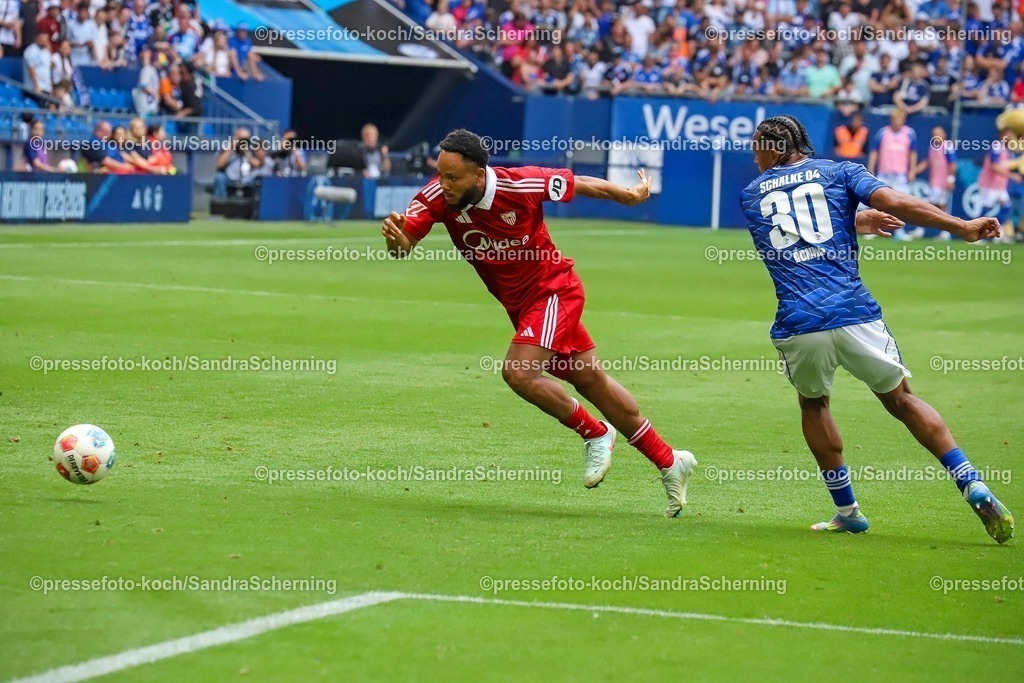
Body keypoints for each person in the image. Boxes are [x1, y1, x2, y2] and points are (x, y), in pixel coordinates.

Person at [381, 129, 697, 517]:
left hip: (554, 291)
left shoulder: (520, 184)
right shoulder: (438, 197)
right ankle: (670, 460)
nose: (443, 184)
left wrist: (627, 195)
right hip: (523, 308)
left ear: (478, 175)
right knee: (591, 381)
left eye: (453, 177)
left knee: (518, 372)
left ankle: (595, 432)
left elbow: (580, 184)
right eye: (440, 174)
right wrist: (395, 239)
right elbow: (403, 246)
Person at [739, 114, 1013, 543]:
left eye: (757, 146)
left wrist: (855, 222)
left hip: (800, 320)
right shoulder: (839, 171)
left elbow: (798, 226)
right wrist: (960, 226)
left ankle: (848, 511)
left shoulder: (751, 194)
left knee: (814, 405)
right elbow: (893, 201)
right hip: (855, 313)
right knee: (902, 400)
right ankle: (970, 481)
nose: (753, 154)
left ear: (774, 150)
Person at [868, 108, 917, 240]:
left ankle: (899, 231)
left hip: (900, 174)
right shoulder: (883, 132)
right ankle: (873, 228)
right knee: (877, 202)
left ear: (903, 120)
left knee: (901, 204)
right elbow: (874, 151)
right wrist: (871, 168)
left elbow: (912, 153)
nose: (897, 122)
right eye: (895, 119)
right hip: (884, 172)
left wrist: (912, 170)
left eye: (899, 119)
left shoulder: (909, 133)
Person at [914, 125, 957, 239]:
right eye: (934, 134)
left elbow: (953, 164)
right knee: (937, 206)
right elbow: (927, 162)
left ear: (944, 135)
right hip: (934, 182)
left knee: (933, 205)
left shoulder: (947, 146)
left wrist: (950, 179)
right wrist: (914, 171)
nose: (936, 136)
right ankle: (944, 231)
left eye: (938, 133)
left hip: (942, 183)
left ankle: (924, 229)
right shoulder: (932, 148)